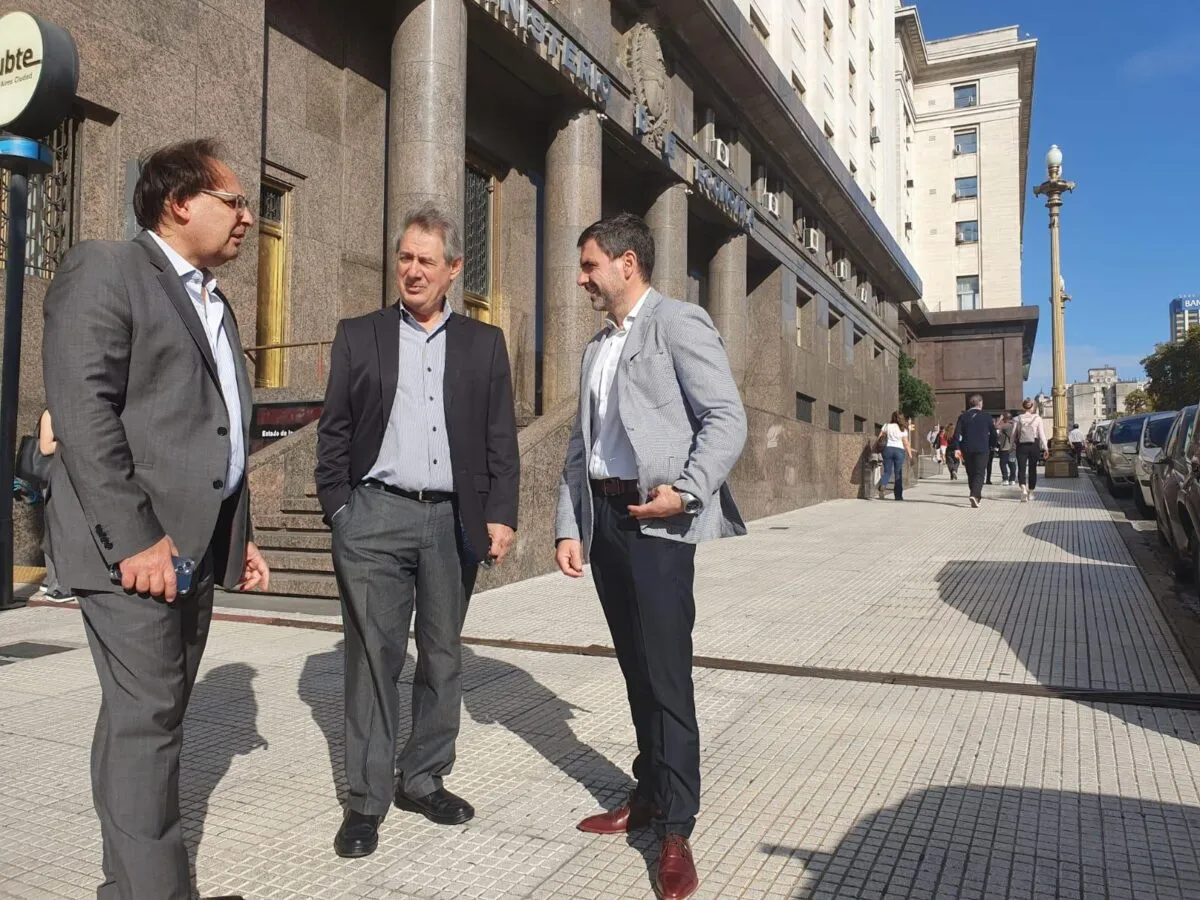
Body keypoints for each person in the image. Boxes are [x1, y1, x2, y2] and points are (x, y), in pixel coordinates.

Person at [42, 138, 269, 900]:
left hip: (193, 549)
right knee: (150, 722)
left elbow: (214, 426)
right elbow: (83, 414)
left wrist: (243, 534)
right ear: (180, 204)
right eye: (234, 201)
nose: (248, 217)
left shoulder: (213, 298)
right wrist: (136, 538)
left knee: (146, 720)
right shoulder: (106, 269)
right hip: (135, 550)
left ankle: (128, 887)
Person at [315, 202, 520, 859]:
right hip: (374, 515)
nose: (411, 269)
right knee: (372, 658)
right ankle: (366, 801)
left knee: (441, 655)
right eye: (404, 257)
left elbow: (499, 439)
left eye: (426, 260)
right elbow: (335, 431)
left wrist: (502, 513)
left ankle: (424, 777)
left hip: (449, 521)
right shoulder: (360, 335)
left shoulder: (483, 345)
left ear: (453, 270)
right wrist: (340, 511)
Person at [554, 213, 746, 900]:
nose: (581, 279)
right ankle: (649, 792)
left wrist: (688, 493)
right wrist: (568, 525)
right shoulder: (596, 349)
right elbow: (582, 447)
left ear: (626, 263)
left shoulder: (678, 323)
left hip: (657, 521)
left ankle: (677, 828)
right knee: (636, 671)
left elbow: (727, 417)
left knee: (667, 675)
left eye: (588, 265)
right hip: (605, 519)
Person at [35, 408, 75, 603]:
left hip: (62, 477)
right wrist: (72, 440)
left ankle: (52, 581)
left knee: (58, 529)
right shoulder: (50, 413)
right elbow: (45, 447)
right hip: (52, 478)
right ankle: (57, 586)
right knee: (57, 529)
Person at [953, 394, 998, 508]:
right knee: (979, 473)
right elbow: (993, 433)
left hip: (966, 449)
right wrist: (993, 445)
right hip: (982, 448)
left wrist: (957, 448)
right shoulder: (987, 416)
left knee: (971, 472)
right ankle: (974, 494)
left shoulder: (963, 417)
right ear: (980, 403)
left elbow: (957, 434)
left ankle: (976, 496)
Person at [1013, 398, 1049, 501]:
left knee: (1021, 468)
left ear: (1023, 407)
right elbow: (1042, 434)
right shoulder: (1037, 419)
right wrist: (1046, 447)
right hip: (1034, 445)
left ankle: (1023, 489)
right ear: (1032, 407)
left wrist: (1011, 446)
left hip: (1021, 445)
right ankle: (1031, 492)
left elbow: (1013, 435)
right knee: (1032, 468)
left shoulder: (1017, 418)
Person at [877, 412, 914, 500]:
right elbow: (906, 444)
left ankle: (883, 484)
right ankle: (898, 496)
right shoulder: (903, 429)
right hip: (899, 451)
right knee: (898, 474)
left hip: (887, 450)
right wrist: (911, 456)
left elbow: (879, 438)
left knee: (887, 472)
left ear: (892, 417)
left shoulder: (887, 426)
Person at [996, 412, 1016, 486]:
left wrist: (1000, 419)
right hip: (1013, 448)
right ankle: (1012, 479)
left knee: (1003, 464)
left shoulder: (1006, 426)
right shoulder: (1014, 425)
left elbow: (996, 426)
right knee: (1012, 463)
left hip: (1005, 448)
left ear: (1005, 418)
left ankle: (1005, 479)